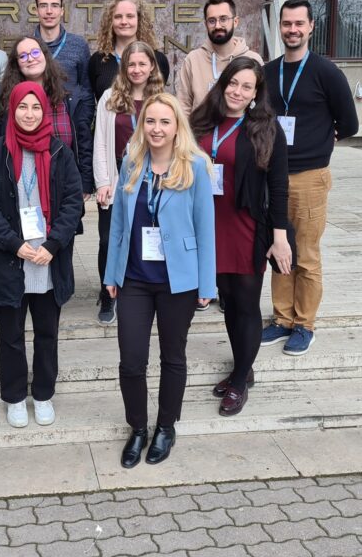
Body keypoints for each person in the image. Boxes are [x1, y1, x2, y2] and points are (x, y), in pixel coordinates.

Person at [104, 93, 216, 468]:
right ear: (142, 125)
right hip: (134, 277)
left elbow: (206, 228)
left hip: (177, 281)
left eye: (164, 122)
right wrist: (110, 273)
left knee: (173, 356)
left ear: (176, 126)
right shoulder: (131, 163)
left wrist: (207, 285)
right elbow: (118, 222)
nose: (156, 129)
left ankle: (166, 427)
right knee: (132, 360)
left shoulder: (196, 167)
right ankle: (138, 428)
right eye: (150, 121)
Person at [0, 81, 84, 428]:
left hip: (48, 261)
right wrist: (13, 243)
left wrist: (52, 245)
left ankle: (44, 393)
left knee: (47, 334)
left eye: (36, 107)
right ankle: (15, 397)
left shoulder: (59, 153)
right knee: (10, 336)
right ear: (12, 109)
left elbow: (72, 203)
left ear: (45, 111)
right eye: (23, 106)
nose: (29, 113)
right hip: (11, 258)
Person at [190, 57, 293, 416]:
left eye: (246, 86)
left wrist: (279, 237)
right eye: (233, 83)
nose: (237, 91)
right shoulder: (202, 121)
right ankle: (242, 367)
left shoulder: (266, 128)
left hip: (246, 225)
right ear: (223, 83)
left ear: (256, 92)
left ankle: (240, 380)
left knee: (247, 305)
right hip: (209, 224)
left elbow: (279, 185)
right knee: (228, 301)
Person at [0, 36, 94, 325]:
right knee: (9, 258)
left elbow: (82, 136)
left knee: (57, 245)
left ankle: (50, 296)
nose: (29, 58)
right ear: (15, 62)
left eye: (35, 52)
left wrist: (84, 180)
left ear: (46, 55)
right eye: (22, 55)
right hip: (16, 179)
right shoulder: (5, 94)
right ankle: (4, 301)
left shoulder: (68, 93)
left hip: (58, 181)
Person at [261, 0, 359, 355]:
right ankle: (282, 318)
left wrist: (322, 138)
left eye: (298, 24)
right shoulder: (269, 72)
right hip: (274, 176)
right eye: (286, 24)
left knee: (305, 254)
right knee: (278, 249)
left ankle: (304, 323)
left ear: (311, 26)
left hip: (308, 177)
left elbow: (349, 123)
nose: (292, 30)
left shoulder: (326, 72)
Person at [92, 41, 165, 326]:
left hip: (151, 182)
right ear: (124, 67)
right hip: (116, 181)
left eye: (142, 64)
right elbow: (100, 143)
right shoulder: (110, 98)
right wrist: (102, 182)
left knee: (144, 237)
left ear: (151, 67)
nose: (136, 69)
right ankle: (107, 292)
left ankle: (139, 290)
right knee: (110, 239)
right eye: (131, 64)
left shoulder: (161, 98)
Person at [176, 0, 263, 116]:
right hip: (200, 133)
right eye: (212, 20)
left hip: (241, 133)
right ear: (206, 24)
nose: (217, 26)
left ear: (235, 21)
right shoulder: (193, 59)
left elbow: (261, 103)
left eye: (223, 19)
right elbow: (183, 106)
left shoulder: (253, 60)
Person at [88, 0, 170, 104]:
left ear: (139, 19)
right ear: (110, 22)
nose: (124, 22)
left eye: (130, 16)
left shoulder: (157, 59)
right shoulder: (97, 60)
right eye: (118, 17)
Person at [33, 0, 91, 99]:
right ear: (36, 11)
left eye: (54, 6)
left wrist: (82, 118)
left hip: (69, 116)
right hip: (33, 115)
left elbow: (86, 90)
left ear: (62, 11)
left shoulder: (79, 45)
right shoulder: (26, 46)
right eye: (43, 6)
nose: (49, 11)